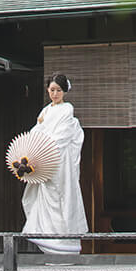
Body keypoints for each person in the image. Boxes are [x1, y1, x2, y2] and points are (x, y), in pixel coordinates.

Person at [21, 73, 88, 254]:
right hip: (46, 163)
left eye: (58, 90)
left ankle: (65, 244)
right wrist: (30, 151)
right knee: (44, 198)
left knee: (62, 199)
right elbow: (37, 130)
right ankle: (49, 241)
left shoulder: (67, 109)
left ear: (64, 91)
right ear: (47, 91)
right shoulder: (45, 111)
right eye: (52, 90)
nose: (55, 94)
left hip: (59, 162)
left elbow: (62, 135)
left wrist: (45, 148)